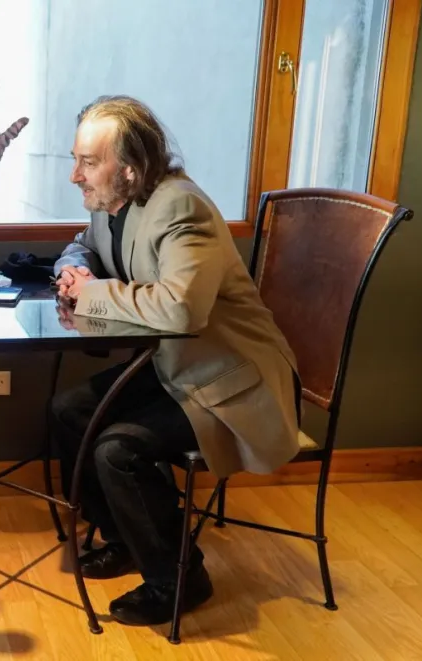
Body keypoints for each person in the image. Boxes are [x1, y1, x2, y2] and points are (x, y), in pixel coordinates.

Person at [50, 95, 301, 627]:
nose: (75, 176)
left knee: (118, 449)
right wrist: (73, 270)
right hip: (175, 366)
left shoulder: (181, 208)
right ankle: (125, 538)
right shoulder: (112, 202)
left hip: (231, 379)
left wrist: (92, 293)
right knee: (71, 411)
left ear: (130, 168)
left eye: (88, 162)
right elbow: (82, 245)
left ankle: (179, 578)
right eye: (76, 160)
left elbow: (181, 309)